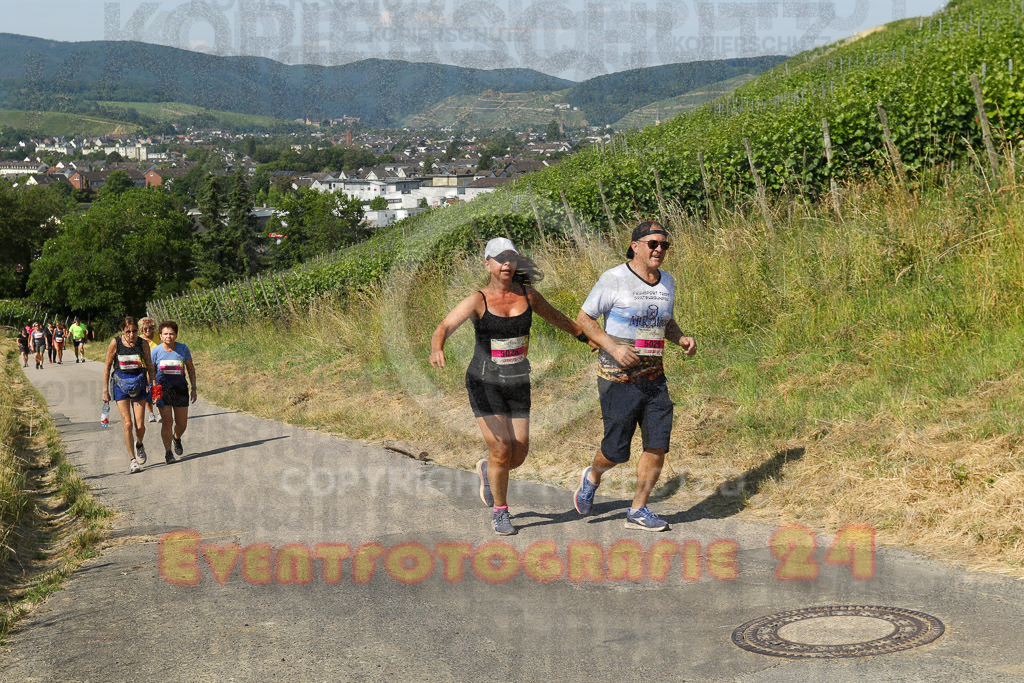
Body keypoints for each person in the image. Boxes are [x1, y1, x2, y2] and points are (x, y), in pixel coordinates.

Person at [430, 237, 595, 535]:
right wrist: (437, 347)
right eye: (499, 258)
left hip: (518, 380)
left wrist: (585, 337)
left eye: (511, 258)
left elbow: (557, 317)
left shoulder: (529, 296)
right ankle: (501, 511)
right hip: (484, 382)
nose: (506, 264)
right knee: (502, 447)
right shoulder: (477, 300)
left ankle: (488, 469)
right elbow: (443, 326)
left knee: (517, 455)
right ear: (488, 264)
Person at [573, 221, 697, 532]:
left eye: (664, 245)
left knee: (657, 444)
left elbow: (664, 321)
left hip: (655, 379)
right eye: (653, 243)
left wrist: (681, 338)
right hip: (618, 379)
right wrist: (613, 348)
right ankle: (593, 476)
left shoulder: (667, 281)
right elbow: (584, 319)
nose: (659, 250)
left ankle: (638, 509)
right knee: (616, 451)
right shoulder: (613, 279)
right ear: (635, 245)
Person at [102, 317, 156, 474]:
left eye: (134, 331)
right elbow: (106, 367)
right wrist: (105, 390)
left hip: (139, 385)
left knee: (140, 425)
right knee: (128, 424)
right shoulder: (115, 343)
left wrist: (153, 385)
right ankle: (133, 460)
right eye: (128, 331)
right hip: (120, 386)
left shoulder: (142, 344)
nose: (131, 334)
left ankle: (139, 443)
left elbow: (150, 366)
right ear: (123, 331)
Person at [151, 320, 197, 464]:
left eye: (171, 334)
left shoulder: (183, 349)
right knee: (167, 422)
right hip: (162, 390)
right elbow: (151, 371)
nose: (169, 337)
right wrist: (153, 389)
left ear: (176, 335)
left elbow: (190, 368)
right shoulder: (156, 351)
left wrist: (194, 388)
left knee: (182, 423)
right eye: (165, 334)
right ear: (160, 335)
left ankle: (176, 438)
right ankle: (168, 453)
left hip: (180, 389)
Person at [138, 317, 161, 423]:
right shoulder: (139, 340)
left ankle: (160, 413)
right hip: (145, 368)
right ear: (141, 329)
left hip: (158, 367)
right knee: (147, 390)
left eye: (150, 328)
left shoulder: (158, 337)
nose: (148, 330)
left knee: (157, 389)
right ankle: (151, 414)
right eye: (145, 329)